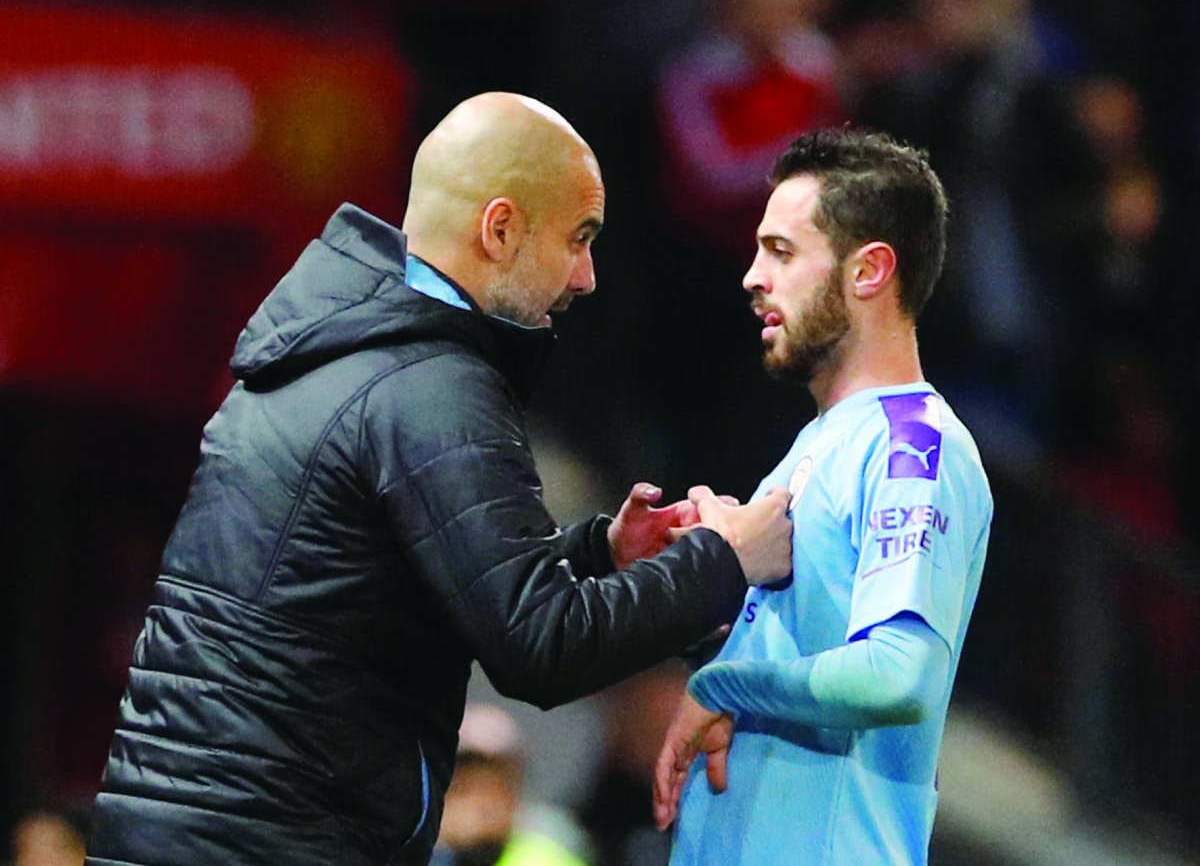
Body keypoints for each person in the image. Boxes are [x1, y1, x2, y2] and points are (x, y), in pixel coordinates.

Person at [84, 92, 793, 866]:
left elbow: (396, 579)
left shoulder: (335, 355)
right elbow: (541, 645)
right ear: (500, 229)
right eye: (579, 238)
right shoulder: (433, 386)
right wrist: (725, 559)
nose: (588, 276)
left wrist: (597, 554)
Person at [653, 128, 994, 865]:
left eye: (781, 252)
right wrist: (711, 580)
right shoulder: (817, 444)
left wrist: (725, 684)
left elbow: (898, 673)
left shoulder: (913, 446)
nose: (752, 276)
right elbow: (809, 647)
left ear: (869, 270)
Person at [430, 703, 588, 866]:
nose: (478, 804)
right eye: (464, 787)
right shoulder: (420, 852)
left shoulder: (545, 860)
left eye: (494, 788)